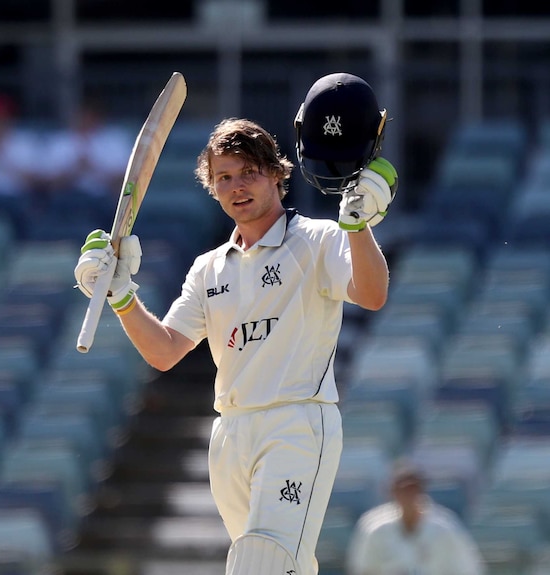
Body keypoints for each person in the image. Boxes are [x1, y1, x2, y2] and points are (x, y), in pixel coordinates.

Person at [73, 72, 397, 574]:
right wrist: (120, 296)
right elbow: (163, 350)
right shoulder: (209, 268)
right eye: (223, 177)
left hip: (295, 422)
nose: (236, 186)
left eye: (247, 172)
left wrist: (358, 226)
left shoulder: (316, 239)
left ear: (275, 174)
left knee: (262, 563)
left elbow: (372, 294)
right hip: (230, 434)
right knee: (284, 566)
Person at [345, 458, 486, 575]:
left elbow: (469, 569)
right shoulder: (374, 528)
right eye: (401, 489)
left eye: (412, 488)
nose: (407, 495)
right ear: (391, 492)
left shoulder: (445, 529)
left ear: (422, 490)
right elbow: (361, 569)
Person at [42, 96, 132, 198]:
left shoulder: (114, 139)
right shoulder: (60, 141)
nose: (85, 119)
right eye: (81, 115)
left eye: (89, 114)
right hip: (66, 198)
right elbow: (47, 182)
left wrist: (93, 168)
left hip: (104, 198)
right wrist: (75, 170)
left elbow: (128, 179)